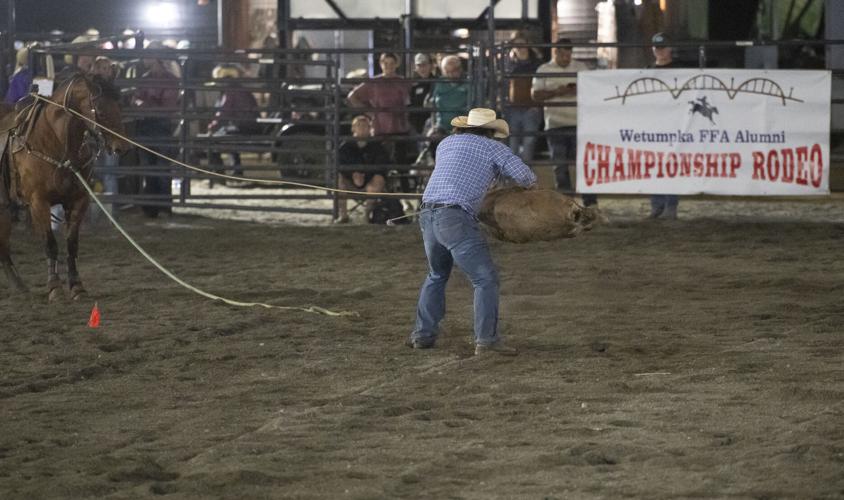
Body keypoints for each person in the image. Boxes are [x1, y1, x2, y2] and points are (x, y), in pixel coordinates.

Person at [408, 108, 537, 356]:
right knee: (485, 279)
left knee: (436, 274)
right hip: (455, 216)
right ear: (490, 131)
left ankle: (423, 335)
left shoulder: (446, 143)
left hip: (427, 213)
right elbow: (526, 177)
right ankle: (486, 341)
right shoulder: (493, 148)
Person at [531, 38, 596, 206]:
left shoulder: (580, 67)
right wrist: (558, 92)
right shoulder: (544, 69)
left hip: (578, 123)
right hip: (556, 123)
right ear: (556, 52)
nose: (567, 57)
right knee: (561, 166)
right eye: (564, 53)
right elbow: (535, 95)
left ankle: (588, 201)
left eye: (569, 53)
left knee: (581, 163)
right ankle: (568, 203)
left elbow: (594, 88)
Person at [132, 49, 179, 218]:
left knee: (160, 168)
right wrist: (150, 103)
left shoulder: (168, 80)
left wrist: (144, 103)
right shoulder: (148, 79)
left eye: (149, 55)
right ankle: (154, 207)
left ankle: (162, 206)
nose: (145, 58)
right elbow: (136, 99)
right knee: (151, 168)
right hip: (150, 125)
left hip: (159, 126)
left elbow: (167, 106)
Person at [347, 53, 412, 166]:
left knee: (401, 161)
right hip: (380, 127)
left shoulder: (403, 82)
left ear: (396, 64)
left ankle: (403, 182)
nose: (388, 66)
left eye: (391, 63)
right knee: (380, 160)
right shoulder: (374, 82)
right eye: (385, 63)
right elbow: (352, 96)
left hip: (399, 125)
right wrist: (369, 112)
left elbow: (408, 101)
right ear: (381, 64)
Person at [207, 64, 260, 179]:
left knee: (211, 141)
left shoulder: (230, 91)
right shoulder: (240, 88)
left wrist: (212, 126)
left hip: (243, 126)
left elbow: (224, 113)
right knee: (228, 135)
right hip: (250, 124)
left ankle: (218, 174)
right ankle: (236, 169)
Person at [648, 32, 680, 219]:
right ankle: (658, 205)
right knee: (655, 164)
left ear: (669, 49)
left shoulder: (679, 70)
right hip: (654, 124)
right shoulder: (648, 69)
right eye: (657, 48)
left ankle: (670, 204)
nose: (660, 51)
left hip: (672, 124)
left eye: (663, 47)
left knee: (669, 164)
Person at [334, 115, 390, 223]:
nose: (362, 128)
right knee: (339, 180)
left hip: (370, 180)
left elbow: (382, 164)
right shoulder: (345, 146)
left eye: (365, 126)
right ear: (353, 128)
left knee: (378, 180)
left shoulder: (376, 146)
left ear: (370, 128)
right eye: (359, 125)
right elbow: (340, 164)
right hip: (350, 181)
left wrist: (366, 175)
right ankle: (343, 215)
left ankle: (366, 214)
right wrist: (352, 174)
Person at [504, 34, 543, 163]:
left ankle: (522, 175)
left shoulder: (536, 64)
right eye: (517, 44)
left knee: (528, 141)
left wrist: (537, 105)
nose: (520, 47)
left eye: (522, 43)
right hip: (514, 107)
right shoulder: (509, 64)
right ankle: (514, 174)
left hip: (530, 107)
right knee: (514, 142)